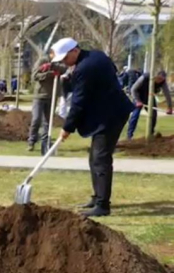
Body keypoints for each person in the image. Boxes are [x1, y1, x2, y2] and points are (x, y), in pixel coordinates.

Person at [53, 38, 134, 218]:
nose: (64, 62)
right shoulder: (96, 55)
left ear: (75, 51)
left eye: (65, 58)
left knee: (101, 158)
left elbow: (79, 102)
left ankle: (102, 205)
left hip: (111, 116)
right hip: (107, 112)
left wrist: (67, 127)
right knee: (95, 158)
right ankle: (97, 197)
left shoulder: (84, 68)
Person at [28, 58, 66, 154]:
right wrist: (49, 74)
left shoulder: (59, 61)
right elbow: (35, 76)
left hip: (52, 96)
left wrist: (53, 66)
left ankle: (45, 143)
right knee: (36, 119)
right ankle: (31, 141)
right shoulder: (42, 61)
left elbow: (64, 69)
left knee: (47, 122)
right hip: (39, 95)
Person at [128, 70, 172, 140]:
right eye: (159, 78)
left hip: (149, 96)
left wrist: (169, 107)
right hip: (138, 95)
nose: (159, 81)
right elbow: (133, 89)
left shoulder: (163, 82)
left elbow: (167, 95)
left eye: (162, 80)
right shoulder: (145, 77)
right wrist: (137, 101)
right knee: (135, 114)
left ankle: (151, 133)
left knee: (153, 114)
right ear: (156, 76)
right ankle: (130, 135)